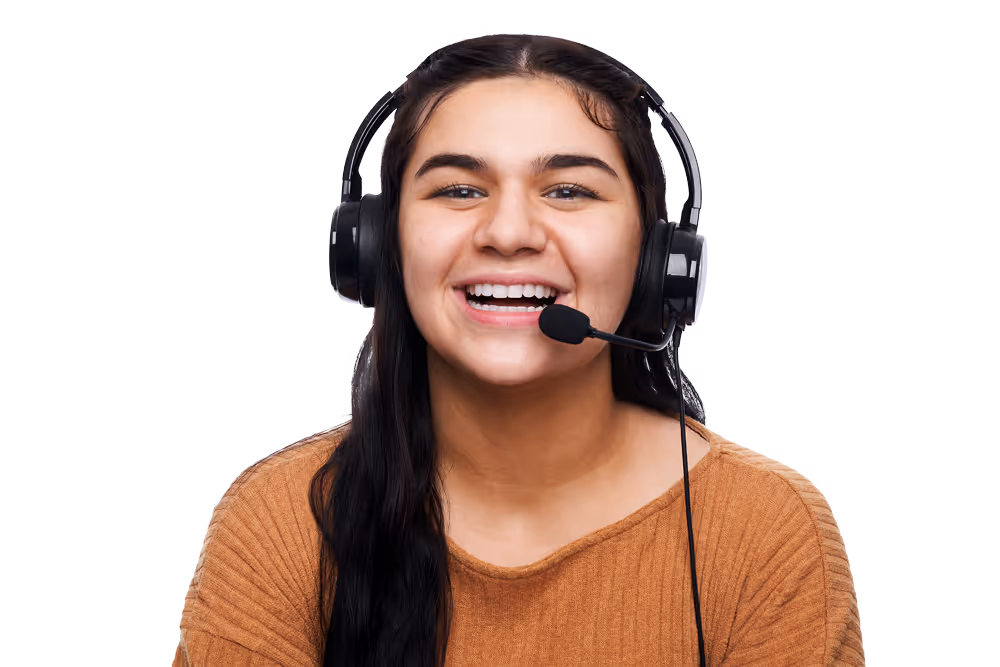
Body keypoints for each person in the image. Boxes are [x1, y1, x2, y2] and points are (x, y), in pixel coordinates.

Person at [173, 31, 865, 666]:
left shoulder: (763, 531)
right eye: (459, 189)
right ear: (378, 244)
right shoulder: (282, 521)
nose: (508, 231)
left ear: (655, 256)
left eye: (568, 190)